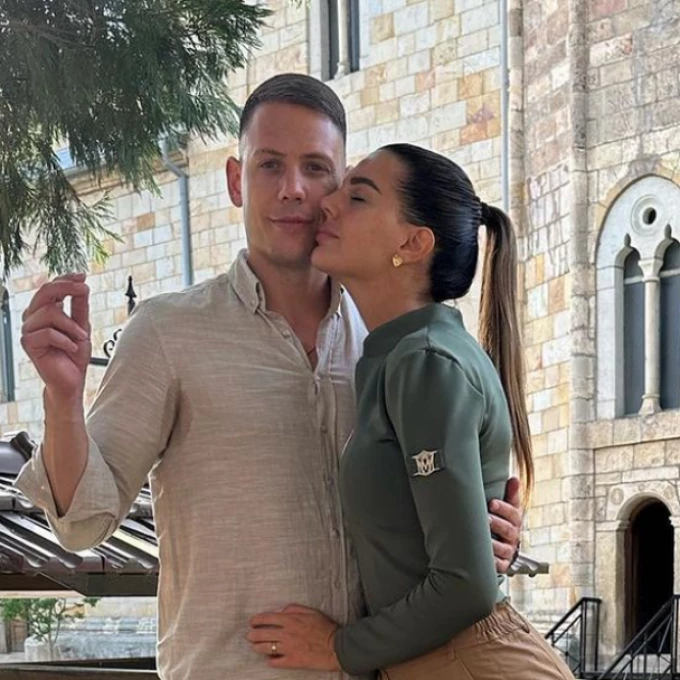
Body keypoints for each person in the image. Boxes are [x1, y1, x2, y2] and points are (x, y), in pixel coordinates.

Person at [16, 75, 523, 680]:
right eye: (270, 165)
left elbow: (442, 539)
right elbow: (82, 522)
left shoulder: (395, 344)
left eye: (316, 168)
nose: (293, 189)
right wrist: (63, 400)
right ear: (237, 180)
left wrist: (492, 537)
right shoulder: (166, 333)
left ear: (338, 188)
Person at [246, 144, 574, 680]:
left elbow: (466, 585)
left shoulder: (424, 361)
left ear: (413, 243)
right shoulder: (403, 355)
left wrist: (339, 648)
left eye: (357, 197)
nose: (328, 203)